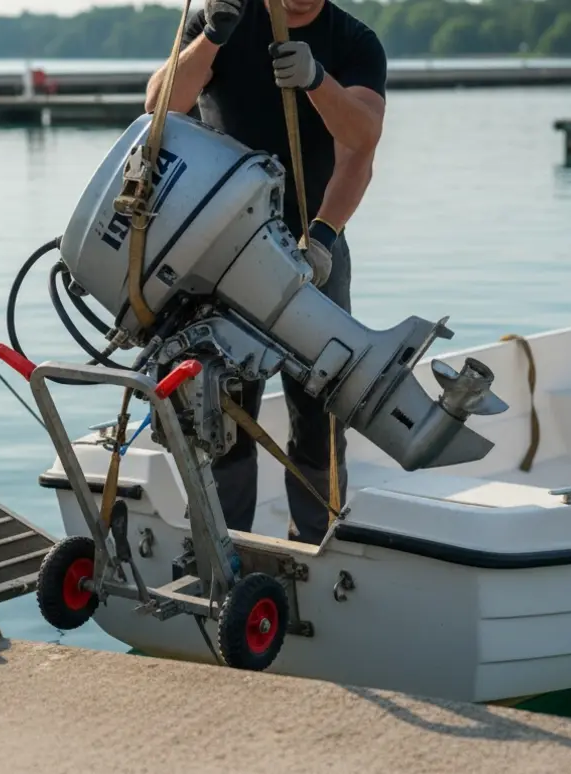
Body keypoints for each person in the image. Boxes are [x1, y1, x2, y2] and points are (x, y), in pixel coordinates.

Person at [142, 0, 387, 544]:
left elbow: (362, 141)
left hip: (313, 242)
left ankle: (318, 543)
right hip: (218, 250)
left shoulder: (353, 42)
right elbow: (159, 108)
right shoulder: (223, 16)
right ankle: (223, 547)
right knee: (221, 409)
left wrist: (318, 80)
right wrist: (212, 35)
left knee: (320, 408)